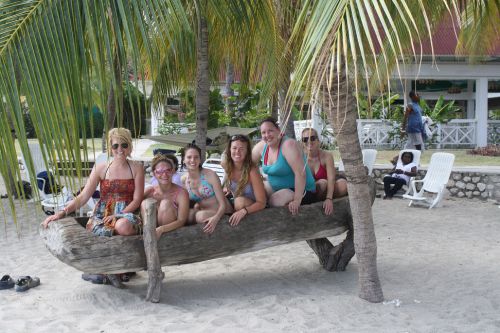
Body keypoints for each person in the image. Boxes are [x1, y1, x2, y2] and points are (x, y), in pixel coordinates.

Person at [43, 127, 145, 288]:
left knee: (123, 227)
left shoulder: (137, 168)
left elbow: (137, 199)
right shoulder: (101, 168)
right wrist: (61, 213)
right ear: (110, 148)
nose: (120, 149)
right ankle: (110, 270)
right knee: (105, 232)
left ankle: (121, 268)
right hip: (103, 213)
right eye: (115, 146)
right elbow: (83, 196)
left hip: (128, 210)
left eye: (124, 145)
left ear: (130, 147)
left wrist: (119, 215)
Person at [252, 117, 316, 215]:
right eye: (263, 133)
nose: (267, 135)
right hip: (277, 190)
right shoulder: (262, 146)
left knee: (275, 200)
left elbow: (300, 173)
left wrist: (297, 200)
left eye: (270, 131)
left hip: (302, 191)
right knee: (256, 192)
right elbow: (246, 164)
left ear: (278, 130)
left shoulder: (288, 145)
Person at [181, 144, 227, 233]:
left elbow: (223, 204)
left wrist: (216, 218)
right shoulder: (184, 180)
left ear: (200, 159)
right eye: (189, 157)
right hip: (204, 213)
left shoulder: (210, 175)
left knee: (199, 216)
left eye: (196, 157)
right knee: (188, 215)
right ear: (183, 160)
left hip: (222, 213)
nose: (192, 160)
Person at [301, 128, 348, 215]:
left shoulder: (327, 156)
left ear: (318, 140)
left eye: (312, 138)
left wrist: (329, 198)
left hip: (326, 189)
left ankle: (326, 201)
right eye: (305, 139)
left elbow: (331, 178)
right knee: (322, 183)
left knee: (343, 184)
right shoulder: (300, 157)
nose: (309, 141)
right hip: (308, 192)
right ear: (302, 142)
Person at [222, 134, 266, 226]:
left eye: (242, 149)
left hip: (253, 208)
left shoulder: (252, 171)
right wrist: (226, 188)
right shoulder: (227, 166)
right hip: (236, 204)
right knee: (216, 200)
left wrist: (244, 211)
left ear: (247, 152)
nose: (237, 152)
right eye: (234, 148)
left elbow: (262, 203)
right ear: (229, 150)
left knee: (239, 201)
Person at [143, 154, 189, 239]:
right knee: (145, 203)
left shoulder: (181, 193)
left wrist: (162, 229)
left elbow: (182, 221)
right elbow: (134, 203)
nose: (164, 174)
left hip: (171, 235)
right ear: (154, 174)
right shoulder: (150, 191)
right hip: (151, 234)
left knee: (165, 204)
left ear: (173, 171)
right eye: (159, 171)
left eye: (168, 170)